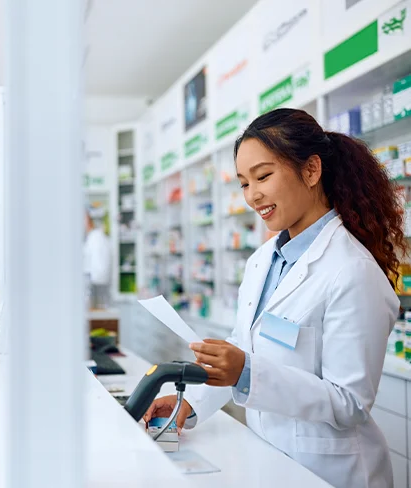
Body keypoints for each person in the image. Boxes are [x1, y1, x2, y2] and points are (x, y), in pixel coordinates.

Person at [143, 108, 406, 488]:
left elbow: (350, 402)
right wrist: (189, 403)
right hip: (269, 458)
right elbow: (246, 345)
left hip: (331, 473)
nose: (253, 196)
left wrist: (246, 371)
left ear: (312, 171)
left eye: (263, 176)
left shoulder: (352, 271)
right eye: (244, 183)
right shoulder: (262, 260)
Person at [83, 209, 112, 309]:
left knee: (98, 311)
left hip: (97, 285)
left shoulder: (96, 238)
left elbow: (99, 268)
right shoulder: (95, 237)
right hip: (96, 283)